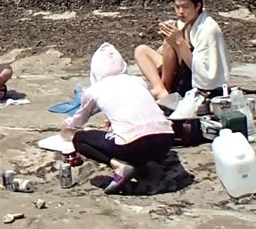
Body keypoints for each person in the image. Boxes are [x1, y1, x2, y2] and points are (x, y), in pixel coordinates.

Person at [62, 42, 176, 194]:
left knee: (80, 138)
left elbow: (77, 122)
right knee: (136, 138)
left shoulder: (95, 90)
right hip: (166, 140)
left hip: (134, 144)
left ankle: (118, 166)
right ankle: (142, 165)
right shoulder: (137, 81)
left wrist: (66, 128)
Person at [133, 0, 230, 104]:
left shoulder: (208, 29)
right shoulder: (184, 23)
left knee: (170, 42)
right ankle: (160, 88)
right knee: (141, 51)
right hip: (180, 69)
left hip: (195, 78)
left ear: (198, 6)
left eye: (185, 7)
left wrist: (179, 40)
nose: (180, 12)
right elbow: (167, 55)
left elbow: (203, 71)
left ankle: (165, 88)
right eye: (177, 7)